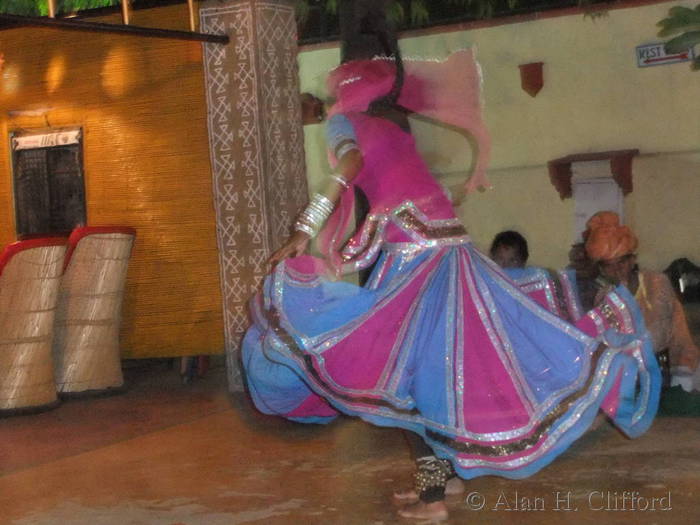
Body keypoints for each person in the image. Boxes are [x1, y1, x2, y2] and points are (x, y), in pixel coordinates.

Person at [242, 18, 659, 522]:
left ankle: (434, 500)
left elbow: (349, 168)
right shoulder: (393, 123)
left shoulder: (344, 122)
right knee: (441, 372)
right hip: (446, 247)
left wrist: (304, 227)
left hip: (419, 258)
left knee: (402, 384)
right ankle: (446, 485)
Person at [584, 211, 700, 389]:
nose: (616, 271)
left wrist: (683, 367)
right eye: (609, 266)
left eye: (621, 262)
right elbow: (602, 347)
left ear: (632, 260)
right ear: (601, 269)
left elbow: (673, 332)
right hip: (627, 377)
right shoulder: (603, 298)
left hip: (670, 371)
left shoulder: (657, 284)